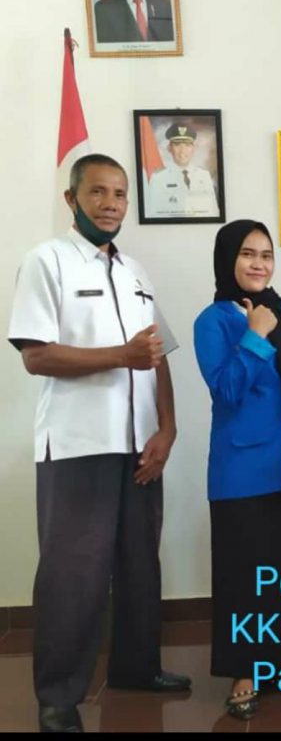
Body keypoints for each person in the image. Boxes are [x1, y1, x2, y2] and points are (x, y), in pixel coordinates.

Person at [7, 154, 190, 735]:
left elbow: (157, 356)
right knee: (74, 575)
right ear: (72, 199)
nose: (111, 204)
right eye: (98, 193)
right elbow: (37, 355)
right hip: (78, 446)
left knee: (139, 562)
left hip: (140, 444)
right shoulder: (47, 261)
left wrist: (167, 429)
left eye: (119, 194)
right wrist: (120, 356)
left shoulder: (136, 272)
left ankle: (137, 668)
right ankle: (58, 698)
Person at [193, 220, 281, 720]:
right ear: (227, 259)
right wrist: (254, 335)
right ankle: (243, 674)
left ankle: (280, 663)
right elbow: (227, 390)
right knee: (242, 577)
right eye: (247, 254)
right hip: (239, 468)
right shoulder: (212, 320)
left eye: (266, 255)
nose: (258, 263)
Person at [146, 124, 220, 218]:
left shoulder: (204, 176)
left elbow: (214, 212)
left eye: (187, 145)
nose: (182, 151)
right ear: (169, 148)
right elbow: (152, 214)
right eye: (177, 145)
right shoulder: (158, 179)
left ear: (193, 148)